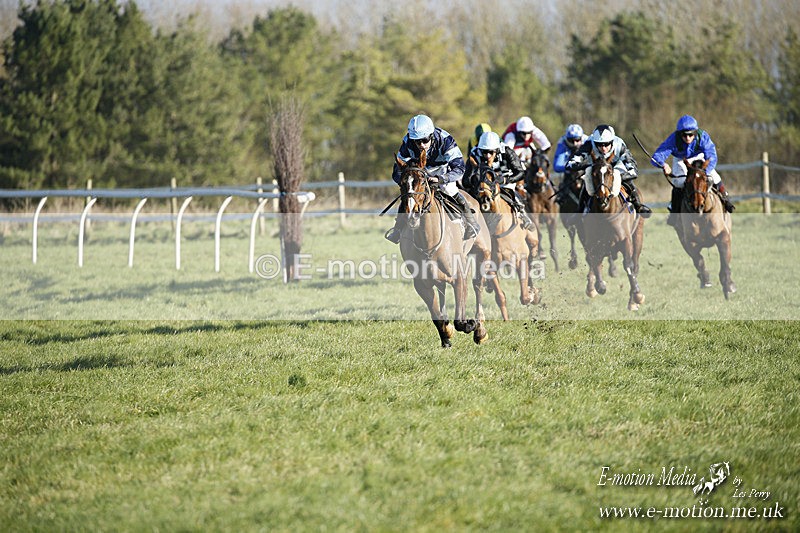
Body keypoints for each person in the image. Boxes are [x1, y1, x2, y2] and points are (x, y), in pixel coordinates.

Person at [385, 114, 479, 243]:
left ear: (431, 134)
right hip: (418, 172)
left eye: (425, 140)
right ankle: (398, 229)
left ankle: (471, 223)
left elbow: (460, 169)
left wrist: (441, 179)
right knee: (410, 194)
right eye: (417, 141)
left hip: (441, 170)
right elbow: (397, 170)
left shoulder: (446, 140)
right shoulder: (407, 142)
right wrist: (404, 181)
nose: (422, 145)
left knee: (449, 189)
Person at [649, 114, 735, 224]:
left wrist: (704, 172)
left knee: (714, 177)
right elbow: (656, 157)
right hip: (681, 159)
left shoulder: (702, 136)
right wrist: (663, 165)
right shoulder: (673, 139)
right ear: (680, 134)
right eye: (684, 135)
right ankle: (674, 211)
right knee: (679, 183)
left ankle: (726, 199)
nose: (688, 138)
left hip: (699, 158)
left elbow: (712, 156)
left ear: (695, 132)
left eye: (691, 135)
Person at [564, 124, 652, 217]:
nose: (603, 148)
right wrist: (587, 165)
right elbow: (570, 164)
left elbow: (633, 170)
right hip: (596, 167)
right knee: (588, 177)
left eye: (606, 144)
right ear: (595, 142)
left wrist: (617, 177)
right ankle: (580, 211)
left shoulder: (620, 145)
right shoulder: (589, 143)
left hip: (615, 167)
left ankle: (638, 206)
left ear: (612, 141)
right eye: (599, 144)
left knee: (623, 177)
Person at [462, 131, 533, 230]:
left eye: (491, 152)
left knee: (513, 195)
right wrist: (475, 179)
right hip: (484, 185)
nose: (487, 155)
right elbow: (465, 181)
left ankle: (524, 216)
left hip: (504, 182)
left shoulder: (507, 151)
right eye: (484, 152)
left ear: (497, 150)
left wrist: (505, 180)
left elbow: (520, 173)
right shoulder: (474, 153)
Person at [552, 123, 588, 206]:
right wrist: (571, 167)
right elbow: (557, 166)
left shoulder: (588, 141)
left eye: (577, 140)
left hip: (585, 171)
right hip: (570, 173)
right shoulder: (562, 142)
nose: (575, 143)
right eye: (571, 141)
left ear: (581, 138)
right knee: (562, 192)